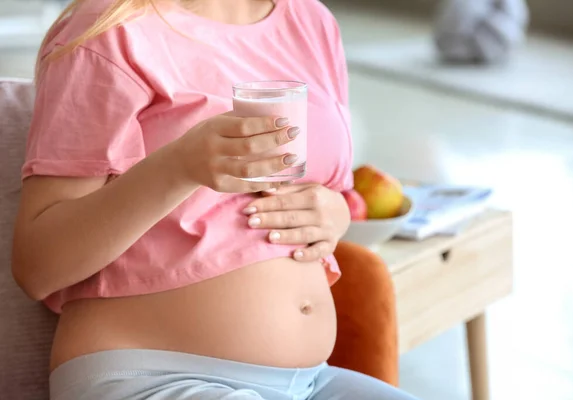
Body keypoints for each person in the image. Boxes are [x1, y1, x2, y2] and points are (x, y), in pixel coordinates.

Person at [11, 0, 420, 399]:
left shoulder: (312, 21)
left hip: (314, 382)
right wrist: (178, 167)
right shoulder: (108, 30)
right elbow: (39, 265)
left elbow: (334, 190)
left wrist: (334, 214)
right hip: (150, 378)